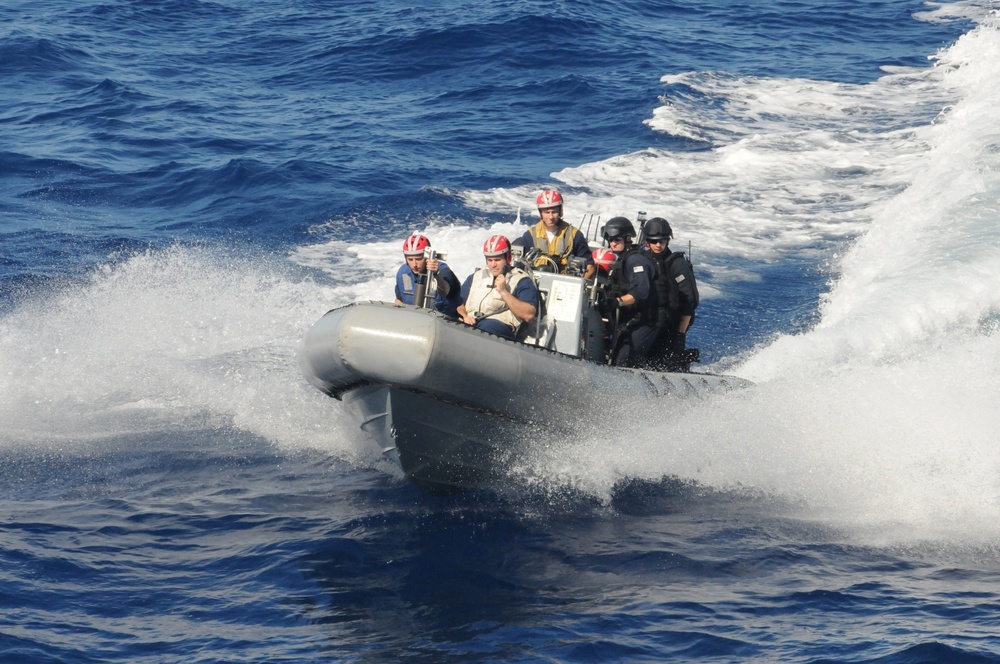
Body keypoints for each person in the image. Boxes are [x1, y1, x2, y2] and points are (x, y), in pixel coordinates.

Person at [640, 217, 700, 371]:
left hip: (671, 326)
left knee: (668, 363)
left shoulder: (677, 264)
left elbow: (690, 301)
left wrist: (680, 333)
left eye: (662, 241)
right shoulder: (642, 260)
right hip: (649, 323)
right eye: (654, 241)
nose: (658, 245)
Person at [457, 235, 539, 340]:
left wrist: (504, 292)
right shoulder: (476, 276)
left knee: (485, 329)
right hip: (471, 321)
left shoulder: (521, 280)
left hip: (499, 327)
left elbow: (528, 314)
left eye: (497, 260)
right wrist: (465, 316)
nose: (493, 265)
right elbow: (458, 303)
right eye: (490, 260)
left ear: (507, 258)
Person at [602, 216, 658, 368]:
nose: (613, 242)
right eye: (610, 238)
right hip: (631, 320)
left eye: (617, 239)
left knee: (622, 362)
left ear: (627, 238)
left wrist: (617, 302)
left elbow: (641, 291)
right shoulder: (623, 260)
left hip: (646, 321)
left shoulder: (635, 261)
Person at [519, 189, 596, 278]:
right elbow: (519, 266)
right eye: (547, 212)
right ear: (541, 213)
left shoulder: (574, 235)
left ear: (560, 211)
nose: (550, 217)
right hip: (535, 283)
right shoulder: (530, 236)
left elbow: (590, 267)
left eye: (554, 212)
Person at [394, 233, 462, 318]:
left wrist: (436, 274)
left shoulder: (442, 270)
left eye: (419, 259)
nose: (414, 264)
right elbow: (399, 300)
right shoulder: (403, 273)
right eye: (410, 259)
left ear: (427, 257)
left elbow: (445, 291)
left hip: (443, 321)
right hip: (413, 319)